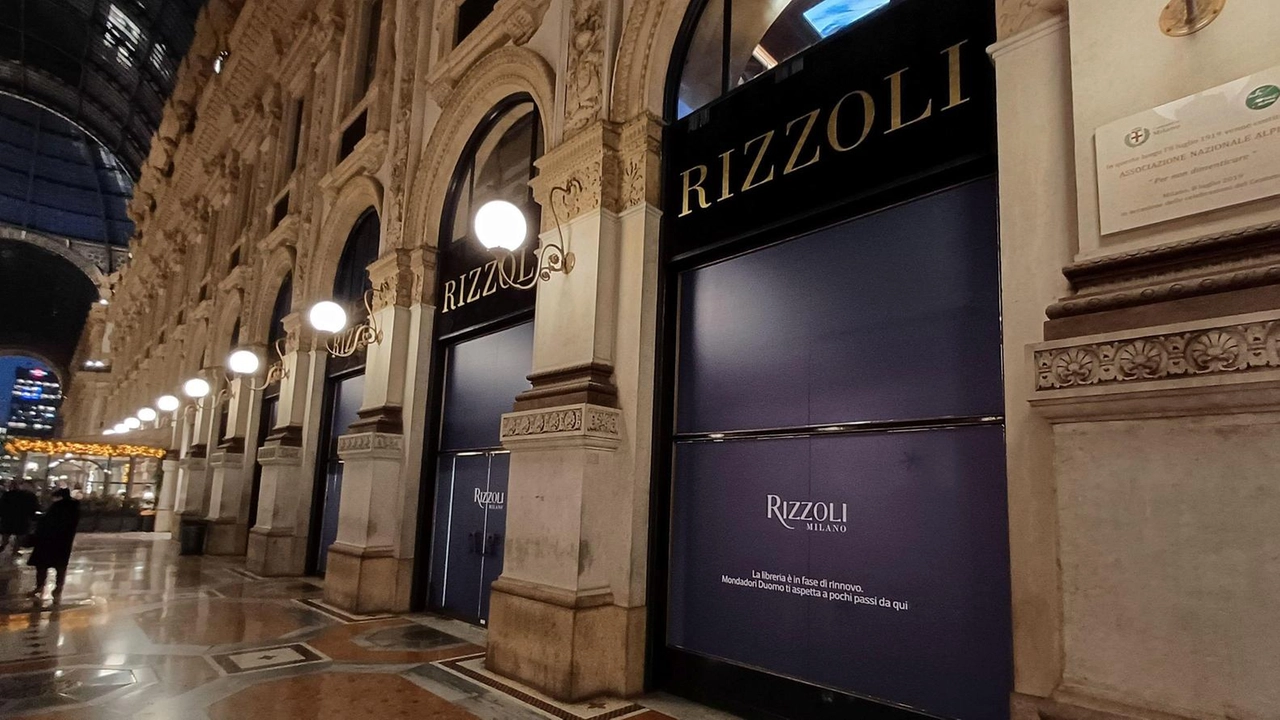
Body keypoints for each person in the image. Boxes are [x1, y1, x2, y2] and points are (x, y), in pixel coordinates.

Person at [28, 488, 80, 601]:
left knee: (42, 565)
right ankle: (58, 587)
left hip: (48, 540)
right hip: (63, 541)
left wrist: (39, 521)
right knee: (60, 566)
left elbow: (47, 521)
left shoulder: (58, 508)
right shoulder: (74, 508)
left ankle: (40, 586)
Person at [0, 481, 39, 553]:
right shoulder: (31, 496)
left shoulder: (9, 494)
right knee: (20, 536)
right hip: (23, 519)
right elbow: (35, 508)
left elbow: (2, 505)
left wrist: (2, 515)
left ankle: (3, 545)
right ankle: (15, 550)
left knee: (6, 533)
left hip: (8, 518)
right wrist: (32, 517)